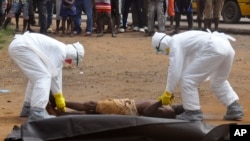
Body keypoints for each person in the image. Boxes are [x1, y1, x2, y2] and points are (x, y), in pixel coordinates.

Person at [151, 31, 244, 122]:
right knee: (218, 81)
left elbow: (174, 70)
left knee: (188, 79)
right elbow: (186, 66)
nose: (163, 53)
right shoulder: (183, 40)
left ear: (162, 44)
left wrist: (168, 92)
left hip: (214, 48)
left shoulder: (175, 43)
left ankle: (193, 112)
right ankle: (234, 108)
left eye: (160, 50)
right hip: (227, 47)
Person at [8, 31, 85, 122]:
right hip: (22, 47)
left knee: (36, 77)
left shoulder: (60, 49)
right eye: (71, 61)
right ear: (73, 55)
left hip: (20, 46)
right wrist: (58, 97)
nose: (69, 62)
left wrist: (59, 96)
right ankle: (37, 112)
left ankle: (27, 108)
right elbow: (54, 76)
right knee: (43, 77)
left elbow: (56, 74)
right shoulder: (61, 51)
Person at [47, 94, 184, 118]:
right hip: (127, 106)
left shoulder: (169, 113)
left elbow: (148, 112)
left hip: (126, 108)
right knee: (91, 111)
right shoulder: (170, 109)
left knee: (92, 105)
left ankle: (59, 106)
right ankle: (59, 112)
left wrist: (161, 102)